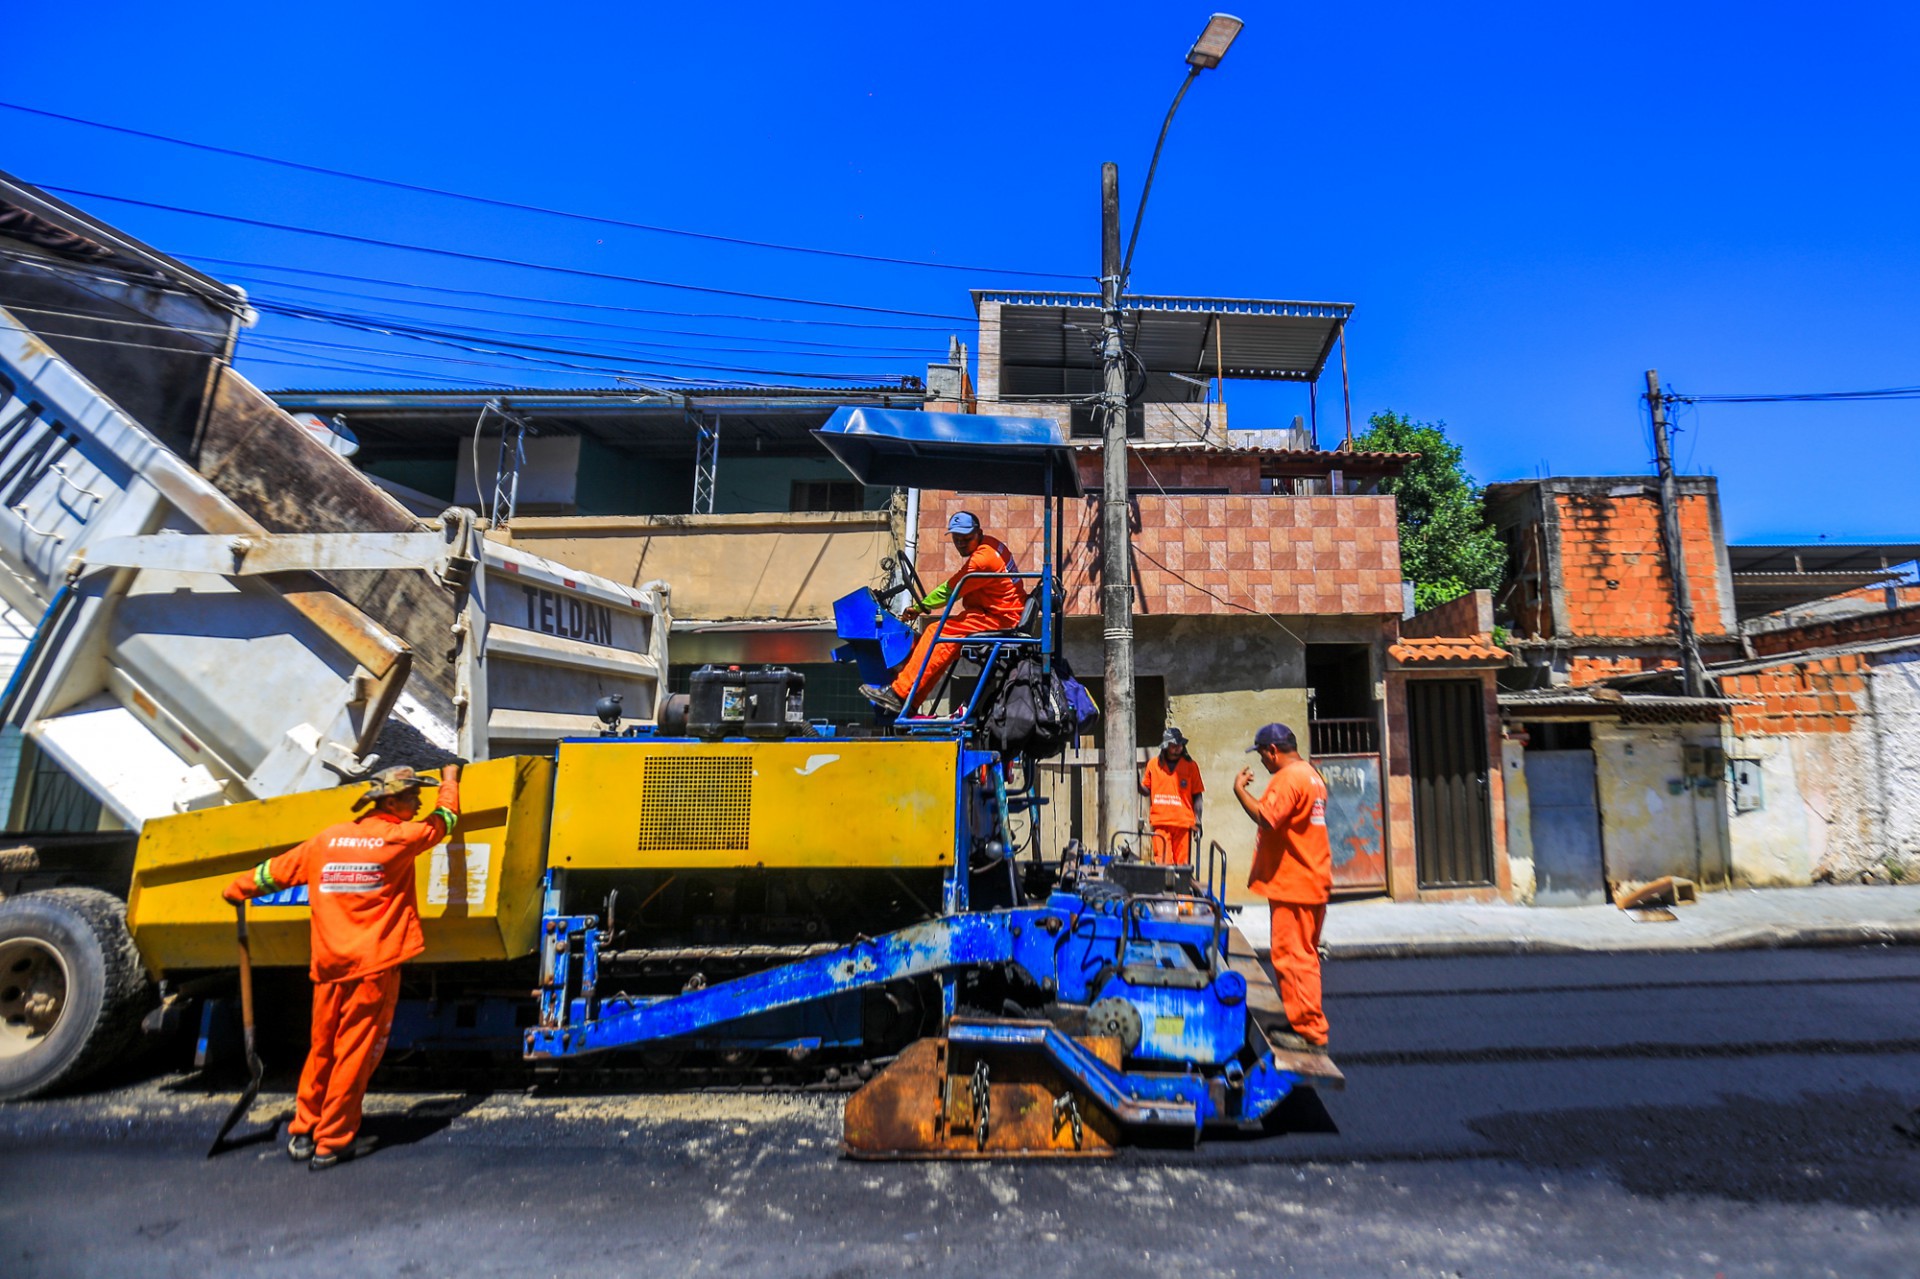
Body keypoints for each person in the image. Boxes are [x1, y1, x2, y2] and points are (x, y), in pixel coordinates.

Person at [222, 762, 462, 1170]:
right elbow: (445, 821)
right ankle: (333, 1142)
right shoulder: (400, 839)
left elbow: (273, 873)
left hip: (329, 966)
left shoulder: (326, 841)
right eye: (411, 797)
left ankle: (303, 1130)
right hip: (372, 969)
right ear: (390, 801)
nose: (418, 803)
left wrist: (236, 889)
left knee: (322, 1050)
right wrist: (450, 780)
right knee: (353, 1053)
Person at [860, 510, 1027, 715]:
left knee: (935, 633)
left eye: (967, 538)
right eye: (957, 539)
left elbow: (950, 591)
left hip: (1000, 619)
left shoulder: (982, 560)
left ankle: (898, 694)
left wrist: (919, 607)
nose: (962, 544)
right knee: (943, 642)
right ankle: (910, 703)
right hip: (996, 614)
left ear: (979, 532)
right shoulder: (990, 544)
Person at [1232, 724, 1332, 1051]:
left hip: (1296, 883)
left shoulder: (1289, 778)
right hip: (1310, 879)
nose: (1262, 762)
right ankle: (1300, 1018)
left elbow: (1267, 816)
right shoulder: (1311, 776)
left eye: (1262, 754)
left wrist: (1239, 791)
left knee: (1292, 956)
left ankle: (1310, 1032)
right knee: (1302, 954)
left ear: (1273, 750)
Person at [1139, 726, 1204, 866]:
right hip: (1161, 822)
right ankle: (1164, 888)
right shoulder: (1153, 765)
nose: (1178, 748)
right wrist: (1136, 784)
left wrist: (1198, 821)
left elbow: (1197, 795)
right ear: (1166, 746)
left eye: (1180, 745)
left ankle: (1181, 888)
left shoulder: (1191, 766)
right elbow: (1146, 789)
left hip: (1183, 823)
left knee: (1183, 865)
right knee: (1162, 863)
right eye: (1174, 745)